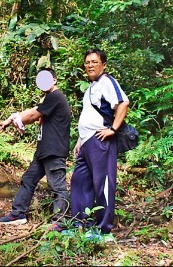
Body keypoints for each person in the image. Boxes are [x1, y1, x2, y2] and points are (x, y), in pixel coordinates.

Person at [0, 67, 72, 228]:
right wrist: (13, 119)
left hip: (54, 151)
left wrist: (12, 119)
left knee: (57, 186)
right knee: (28, 180)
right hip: (44, 151)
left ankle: (60, 222)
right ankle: (17, 214)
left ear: (55, 80)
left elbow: (32, 115)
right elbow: (33, 114)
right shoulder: (49, 100)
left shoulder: (56, 96)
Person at [70, 48, 129, 237]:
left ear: (103, 65)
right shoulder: (90, 89)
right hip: (86, 143)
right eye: (87, 62)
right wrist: (79, 141)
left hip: (100, 141)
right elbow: (89, 115)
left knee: (103, 184)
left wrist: (113, 129)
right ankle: (81, 225)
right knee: (79, 182)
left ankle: (104, 231)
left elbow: (123, 103)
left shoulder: (107, 82)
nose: (89, 65)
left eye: (94, 62)